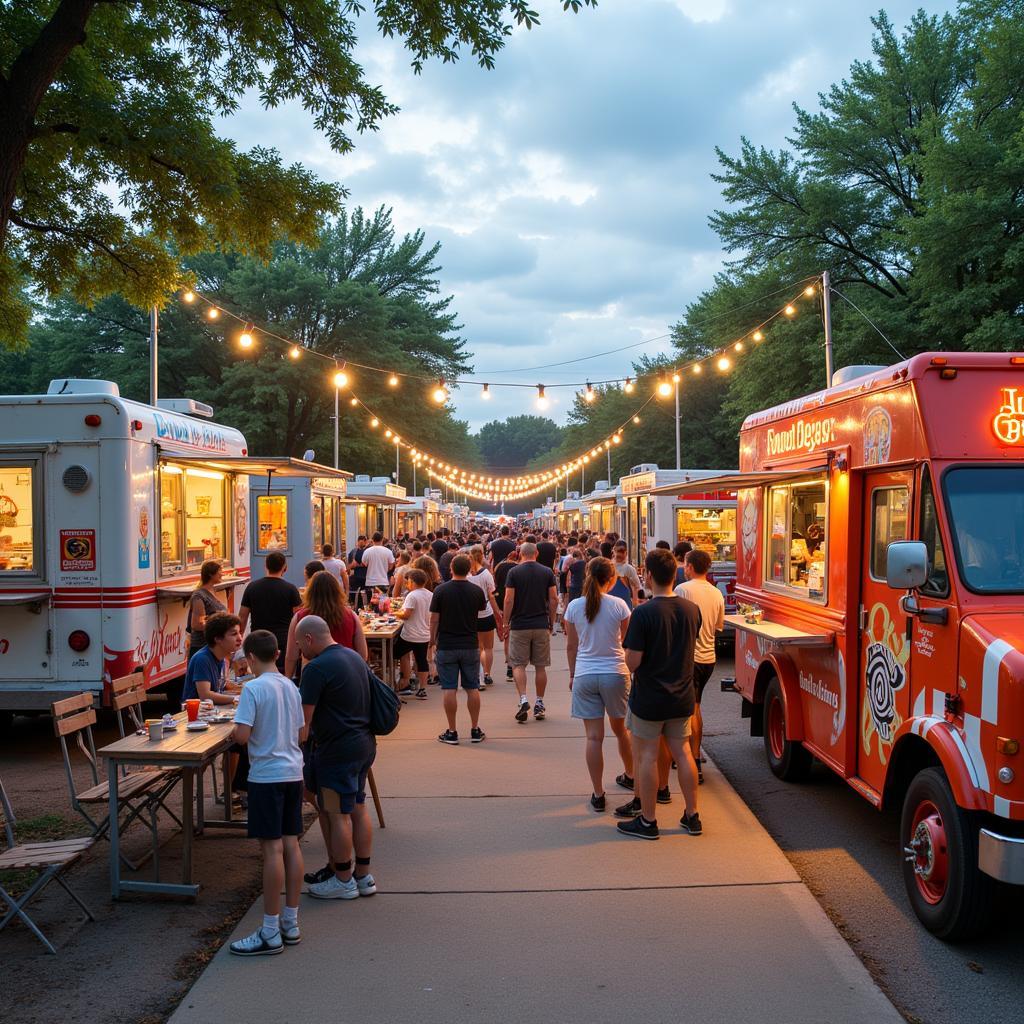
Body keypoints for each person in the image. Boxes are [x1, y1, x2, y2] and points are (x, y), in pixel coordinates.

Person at [615, 548, 702, 840]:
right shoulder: (692, 610)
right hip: (682, 694)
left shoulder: (643, 613)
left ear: (648, 575)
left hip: (650, 697)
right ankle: (692, 816)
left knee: (648, 756)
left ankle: (649, 821)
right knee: (684, 753)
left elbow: (633, 662)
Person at [228, 630, 306, 956]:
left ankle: (270, 930)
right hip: (293, 772)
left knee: (271, 850)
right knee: (291, 844)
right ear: (277, 653)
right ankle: (291, 921)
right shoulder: (291, 686)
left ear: (250, 658)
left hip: (266, 776)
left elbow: (242, 737)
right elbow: (302, 732)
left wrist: (235, 727)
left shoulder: (252, 689)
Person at [298, 616, 379, 900]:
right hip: (363, 744)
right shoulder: (354, 658)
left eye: (299, 644)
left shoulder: (316, 669)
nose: (299, 651)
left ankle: (343, 879)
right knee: (357, 807)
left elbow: (303, 724)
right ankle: (363, 876)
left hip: (335, 751)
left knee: (336, 813)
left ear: (309, 639)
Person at [565, 557, 634, 812]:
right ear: (612, 578)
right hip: (615, 672)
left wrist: (573, 675)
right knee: (621, 730)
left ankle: (598, 793)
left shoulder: (574, 606)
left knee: (594, 738)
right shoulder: (619, 605)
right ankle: (630, 774)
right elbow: (627, 640)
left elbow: (571, 646)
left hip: (585, 673)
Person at [674, 548, 724, 784]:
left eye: (685, 564)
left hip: (689, 657)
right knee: (695, 705)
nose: (684, 568)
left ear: (690, 566)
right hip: (709, 657)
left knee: (689, 709)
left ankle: (693, 758)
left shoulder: (682, 589)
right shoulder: (717, 594)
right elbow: (717, 626)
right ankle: (692, 753)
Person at [430, 554, 486, 745]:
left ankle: (452, 731)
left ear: (451, 569)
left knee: (449, 688)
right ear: (470, 568)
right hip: (470, 643)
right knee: (472, 688)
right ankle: (475, 729)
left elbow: (434, 619)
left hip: (447, 643)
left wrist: (432, 640)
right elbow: (478, 612)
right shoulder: (476, 591)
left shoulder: (440, 591)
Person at [502, 542, 558, 724]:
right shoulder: (547, 572)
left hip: (519, 624)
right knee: (540, 666)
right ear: (537, 553)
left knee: (518, 665)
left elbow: (509, 599)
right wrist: (551, 621)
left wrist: (505, 622)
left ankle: (523, 698)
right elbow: (553, 598)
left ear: (520, 554)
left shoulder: (514, 573)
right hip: (540, 623)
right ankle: (540, 702)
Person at [284, 571, 368, 678]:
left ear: (310, 592)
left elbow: (291, 656)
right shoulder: (351, 616)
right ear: (337, 591)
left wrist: (288, 679)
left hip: (313, 677)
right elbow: (363, 655)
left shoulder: (300, 617)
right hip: (346, 674)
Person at [239, 552, 302, 672]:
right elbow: (298, 617)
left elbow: (242, 617)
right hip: (283, 641)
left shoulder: (252, 587)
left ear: (266, 566)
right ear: (285, 567)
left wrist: (239, 636)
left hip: (258, 639)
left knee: (260, 674)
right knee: (281, 674)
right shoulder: (290, 589)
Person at [183, 611, 243, 705]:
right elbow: (205, 695)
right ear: (218, 639)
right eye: (234, 634)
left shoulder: (223, 657)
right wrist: (237, 699)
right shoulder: (202, 659)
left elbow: (223, 684)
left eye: (239, 633)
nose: (240, 638)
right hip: (196, 716)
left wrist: (246, 690)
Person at [394, 568, 432, 699]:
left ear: (412, 581)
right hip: (424, 634)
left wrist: (395, 613)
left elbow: (406, 615)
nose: (406, 583)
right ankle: (422, 688)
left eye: (408, 581)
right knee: (422, 660)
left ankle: (404, 682)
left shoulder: (412, 595)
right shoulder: (429, 594)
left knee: (398, 654)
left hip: (410, 634)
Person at [467, 545, 502, 687]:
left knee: (477, 647)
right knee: (488, 648)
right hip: (486, 612)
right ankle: (487, 674)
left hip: (471, 614)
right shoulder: (486, 574)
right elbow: (492, 596)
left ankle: (478, 674)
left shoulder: (468, 576)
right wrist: (497, 613)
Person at [187, 560, 227, 661]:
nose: (222, 574)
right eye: (220, 571)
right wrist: (222, 625)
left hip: (212, 646)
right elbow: (197, 624)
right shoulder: (199, 595)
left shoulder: (213, 591)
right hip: (201, 647)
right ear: (210, 574)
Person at [493, 546, 519, 681]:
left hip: (501, 600)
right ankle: (516, 664)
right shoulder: (518, 568)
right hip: (517, 603)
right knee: (517, 636)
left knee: (507, 634)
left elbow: (495, 583)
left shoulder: (499, 567)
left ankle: (509, 664)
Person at [611, 541, 641, 609]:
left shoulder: (629, 569)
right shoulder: (610, 567)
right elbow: (637, 587)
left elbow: (636, 587)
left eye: (621, 551)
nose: (619, 554)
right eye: (617, 551)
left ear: (626, 553)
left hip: (621, 604)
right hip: (623, 605)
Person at [347, 536, 368, 607]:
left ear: (365, 542)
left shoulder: (367, 551)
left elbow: (367, 563)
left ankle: (364, 606)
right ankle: (358, 606)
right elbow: (350, 565)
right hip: (356, 576)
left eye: (363, 542)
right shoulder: (353, 552)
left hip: (366, 576)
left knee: (366, 593)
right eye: (360, 542)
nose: (361, 543)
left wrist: (357, 565)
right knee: (356, 593)